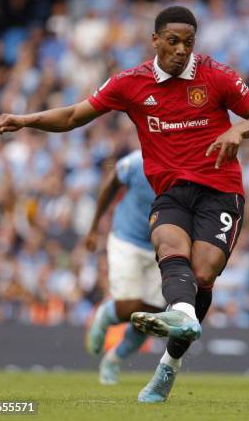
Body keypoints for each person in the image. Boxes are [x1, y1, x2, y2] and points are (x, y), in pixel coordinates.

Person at [0, 6, 249, 403]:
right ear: (156, 40)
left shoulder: (217, 75)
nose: (182, 50)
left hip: (220, 189)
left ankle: (168, 366)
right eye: (174, 41)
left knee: (204, 272)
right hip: (172, 191)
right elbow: (75, 114)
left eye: (189, 43)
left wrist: (239, 129)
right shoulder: (131, 83)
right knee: (167, 242)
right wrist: (26, 120)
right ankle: (181, 313)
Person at [84, 150, 164, 385]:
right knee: (130, 305)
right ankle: (105, 315)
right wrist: (93, 227)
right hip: (127, 238)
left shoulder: (188, 168)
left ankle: (113, 360)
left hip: (161, 247)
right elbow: (110, 184)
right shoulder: (138, 162)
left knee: (150, 318)